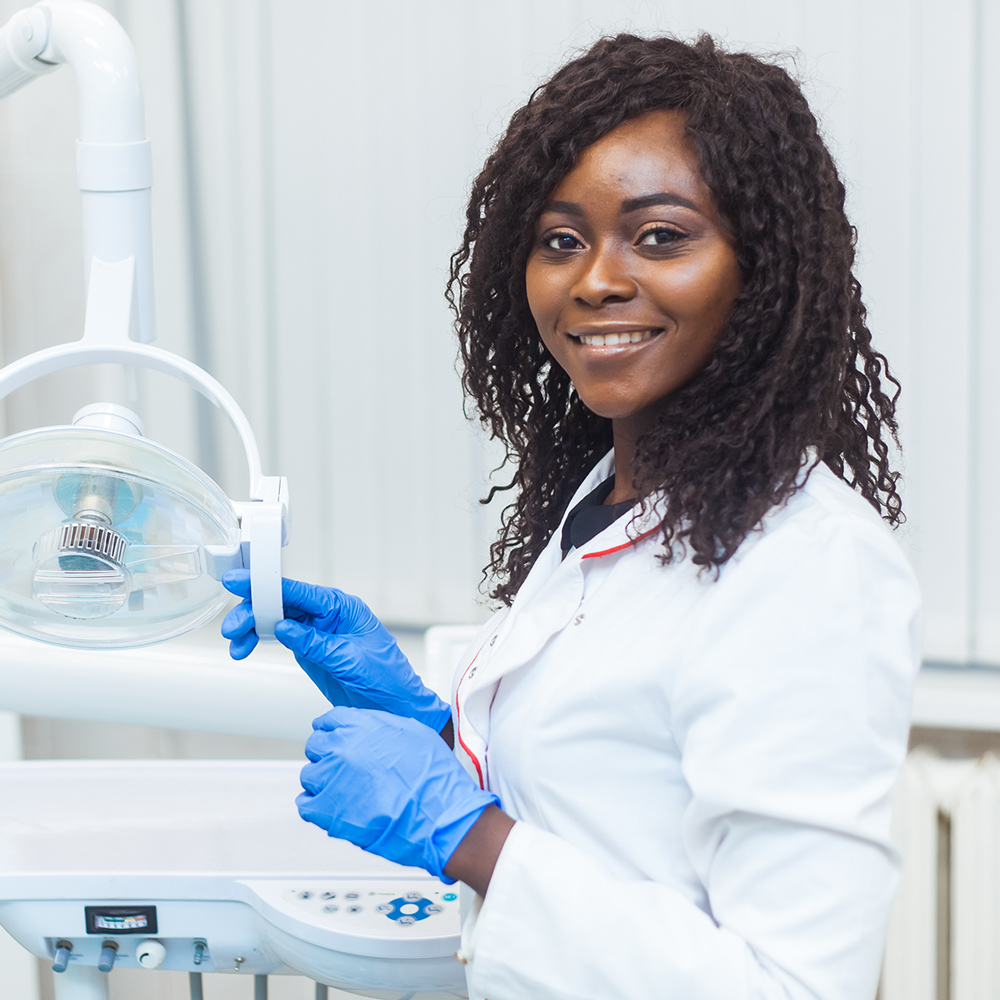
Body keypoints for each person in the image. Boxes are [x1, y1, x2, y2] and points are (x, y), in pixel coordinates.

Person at [221, 33, 920, 1000]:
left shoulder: (810, 566)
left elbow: (794, 986)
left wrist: (467, 836)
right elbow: (610, 810)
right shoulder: (607, 504)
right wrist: (434, 733)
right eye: (561, 240)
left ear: (763, 270)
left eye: (661, 235)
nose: (594, 278)